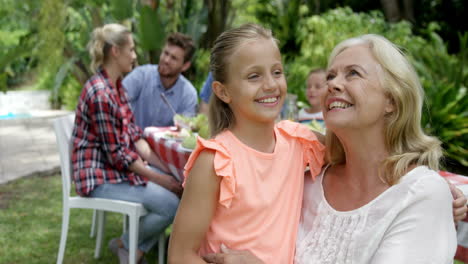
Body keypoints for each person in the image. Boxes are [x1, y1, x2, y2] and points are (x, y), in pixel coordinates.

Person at [203, 34, 465, 264]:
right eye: (331, 76)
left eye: (353, 73)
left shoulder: (420, 194)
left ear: (392, 101)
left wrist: (436, 192)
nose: (333, 84)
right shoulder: (305, 182)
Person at [167, 23, 326, 264]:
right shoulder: (215, 161)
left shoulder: (299, 141)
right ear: (222, 92)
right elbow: (180, 256)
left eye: (277, 72)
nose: (271, 85)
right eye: (254, 76)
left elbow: (355, 149)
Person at [71, 23, 182, 264]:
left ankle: (127, 246)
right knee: (171, 205)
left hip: (115, 170)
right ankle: (128, 245)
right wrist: (164, 180)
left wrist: (164, 169)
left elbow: (133, 135)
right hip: (98, 177)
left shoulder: (117, 87)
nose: (134, 56)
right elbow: (119, 156)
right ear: (115, 52)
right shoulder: (101, 94)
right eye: (131, 50)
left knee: (175, 194)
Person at [123, 32, 198, 129]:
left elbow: (186, 131)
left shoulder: (188, 94)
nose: (166, 60)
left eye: (173, 58)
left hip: (166, 143)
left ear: (185, 66)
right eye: (166, 53)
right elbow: (117, 103)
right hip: (133, 139)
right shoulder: (141, 75)